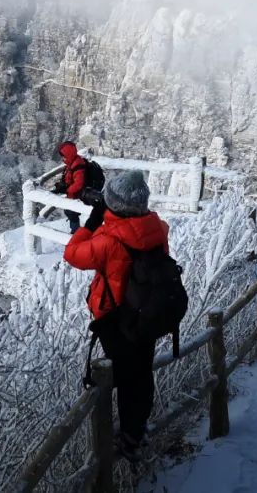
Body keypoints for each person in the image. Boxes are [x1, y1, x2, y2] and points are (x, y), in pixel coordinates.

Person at [63, 170, 169, 460]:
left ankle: (126, 438)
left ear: (116, 206)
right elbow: (135, 235)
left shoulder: (109, 240)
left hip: (118, 318)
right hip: (147, 314)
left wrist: (93, 222)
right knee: (141, 372)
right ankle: (136, 428)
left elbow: (72, 254)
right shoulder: (158, 228)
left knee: (121, 376)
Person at [53, 141, 105, 233]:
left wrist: (66, 189)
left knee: (71, 212)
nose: (62, 158)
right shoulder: (72, 162)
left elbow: (78, 184)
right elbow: (69, 178)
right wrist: (62, 185)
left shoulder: (77, 164)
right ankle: (75, 230)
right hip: (76, 193)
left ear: (68, 154)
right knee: (70, 211)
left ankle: (75, 232)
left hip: (80, 193)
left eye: (63, 156)